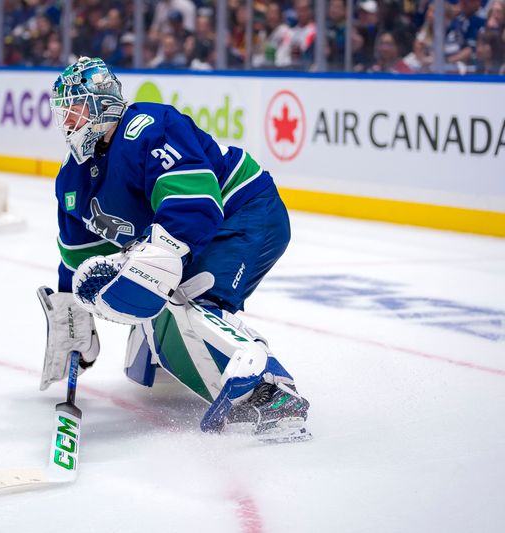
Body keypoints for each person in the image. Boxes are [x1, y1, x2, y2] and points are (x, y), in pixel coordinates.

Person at [37, 57, 311, 442]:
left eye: (75, 108)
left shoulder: (145, 128)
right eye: (63, 112)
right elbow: (82, 262)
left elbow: (193, 205)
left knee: (176, 291)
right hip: (191, 235)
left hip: (245, 213)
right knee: (147, 345)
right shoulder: (72, 179)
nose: (67, 121)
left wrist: (157, 261)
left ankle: (270, 394)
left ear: (102, 102)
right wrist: (74, 315)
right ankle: (186, 360)